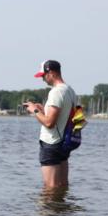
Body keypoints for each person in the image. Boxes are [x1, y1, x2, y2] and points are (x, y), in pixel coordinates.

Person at [24, 60, 77, 189]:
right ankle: (61, 208)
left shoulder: (56, 92)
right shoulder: (70, 90)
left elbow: (49, 123)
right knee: (62, 185)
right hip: (64, 143)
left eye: (43, 75)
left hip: (51, 144)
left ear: (51, 73)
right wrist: (43, 111)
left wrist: (34, 110)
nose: (42, 79)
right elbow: (62, 117)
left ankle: (48, 209)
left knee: (50, 187)